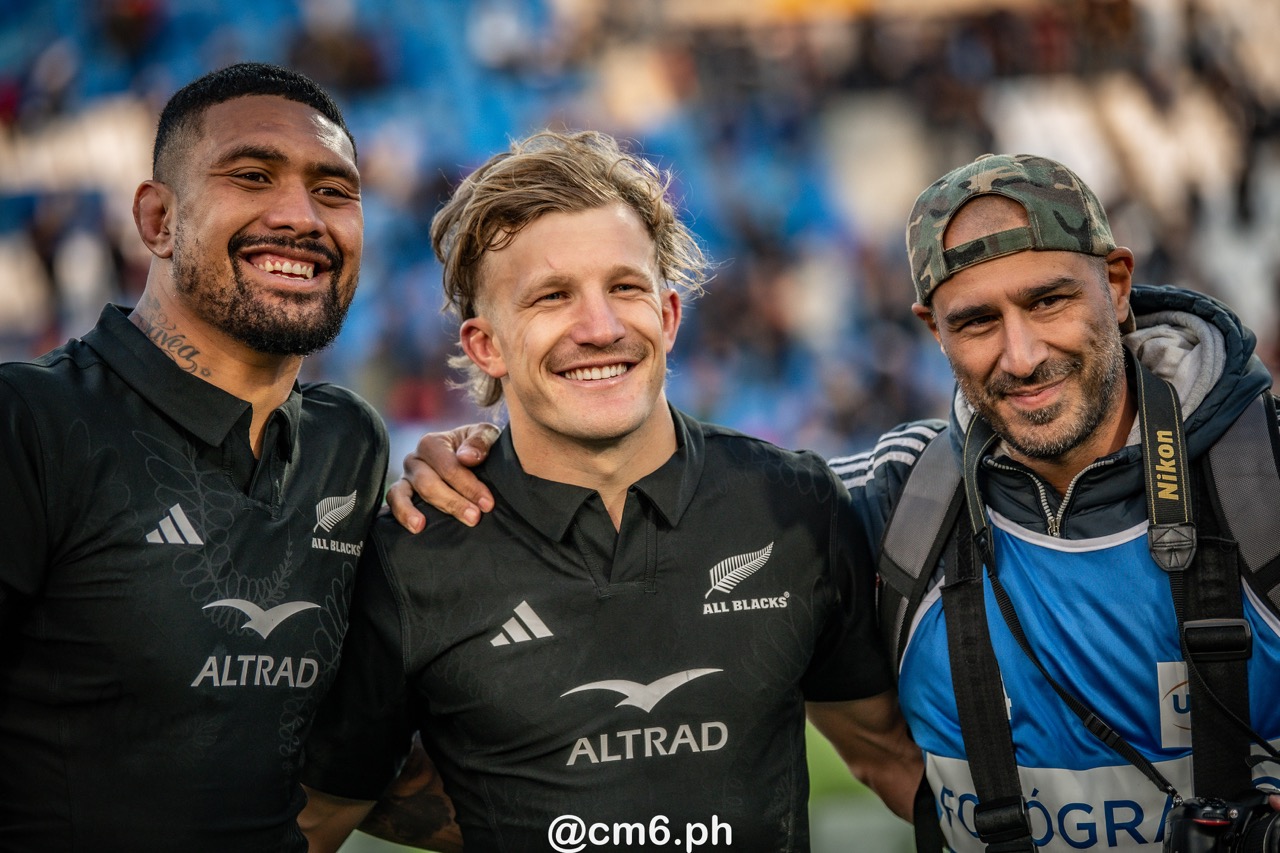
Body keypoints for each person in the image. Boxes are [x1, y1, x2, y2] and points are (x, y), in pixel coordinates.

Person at [396, 152, 1280, 851]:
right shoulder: (875, 504)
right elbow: (878, 752)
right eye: (975, 320)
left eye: (1049, 300)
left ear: (1118, 285)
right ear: (931, 329)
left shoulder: (1264, 477)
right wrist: (485, 460)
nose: (1020, 353)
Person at [298, 128, 922, 853]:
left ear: (668, 315)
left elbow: (886, 754)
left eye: (625, 287)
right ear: (485, 346)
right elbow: (321, 814)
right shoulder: (411, 557)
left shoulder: (795, 505)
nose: (597, 327)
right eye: (551, 296)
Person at [0, 63, 390, 851]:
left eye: (334, 189)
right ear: (157, 219)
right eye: (252, 175)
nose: (301, 216)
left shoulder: (350, 445)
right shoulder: (28, 422)